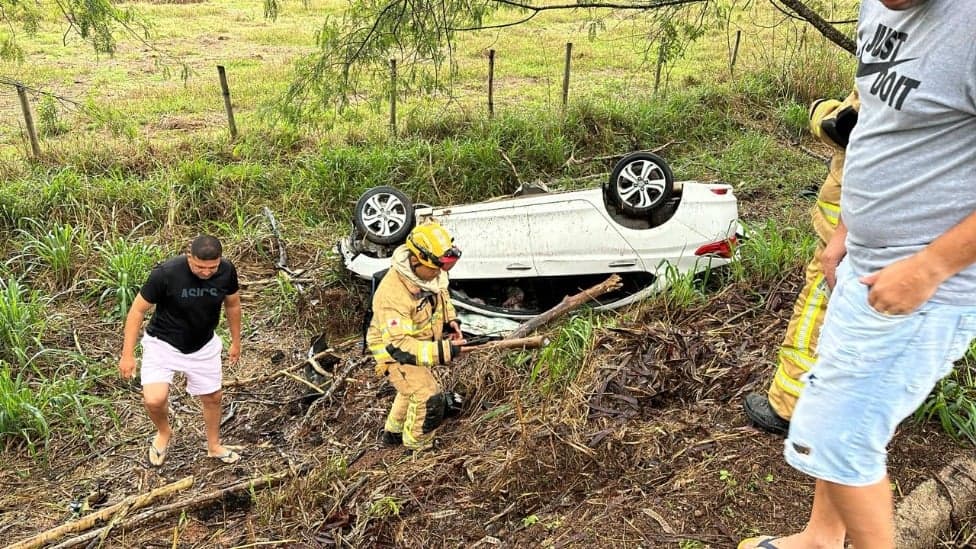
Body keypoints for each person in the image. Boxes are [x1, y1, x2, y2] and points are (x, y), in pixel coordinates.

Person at [739, 1, 976, 548]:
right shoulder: (879, 8)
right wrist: (846, 229)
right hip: (864, 263)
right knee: (846, 409)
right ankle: (820, 539)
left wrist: (929, 267)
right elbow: (879, 124)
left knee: (836, 432)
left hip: (925, 286)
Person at [743, 89, 859, 436]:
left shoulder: (895, 66)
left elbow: (843, 126)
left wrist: (820, 111)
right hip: (891, 235)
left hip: (844, 232)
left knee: (814, 316)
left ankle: (788, 407)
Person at [119, 235, 243, 466]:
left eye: (212, 268)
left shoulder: (227, 271)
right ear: (189, 258)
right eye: (200, 267)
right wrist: (127, 355)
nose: (206, 272)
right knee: (154, 400)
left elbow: (233, 304)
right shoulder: (166, 273)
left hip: (202, 344)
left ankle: (214, 446)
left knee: (213, 397)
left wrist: (236, 341)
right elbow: (137, 311)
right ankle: (164, 432)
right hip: (162, 344)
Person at [366, 220, 465, 451]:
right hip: (393, 351)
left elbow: (442, 293)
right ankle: (418, 445)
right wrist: (443, 351)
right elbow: (398, 345)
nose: (441, 272)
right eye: (437, 268)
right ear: (414, 260)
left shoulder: (431, 274)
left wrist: (451, 320)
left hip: (417, 342)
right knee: (427, 393)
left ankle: (393, 432)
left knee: (408, 387)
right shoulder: (392, 295)